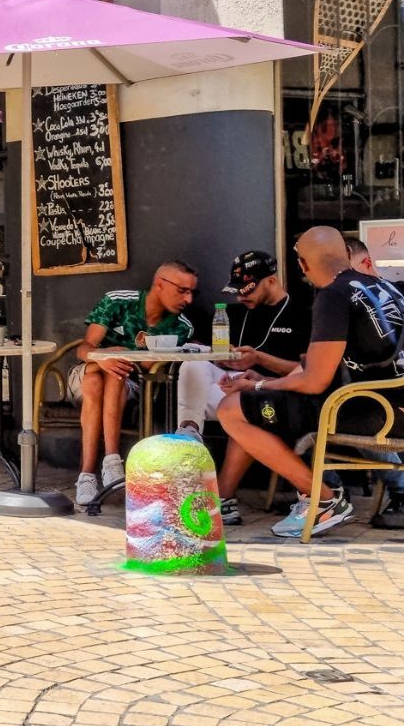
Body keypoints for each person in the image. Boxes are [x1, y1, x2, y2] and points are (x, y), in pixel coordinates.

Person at [216, 227, 404, 537]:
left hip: (370, 410)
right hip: (391, 404)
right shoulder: (387, 288)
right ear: (346, 255)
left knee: (232, 408)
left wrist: (258, 387)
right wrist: (264, 380)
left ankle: (323, 500)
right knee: (253, 406)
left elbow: (315, 382)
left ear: (303, 265)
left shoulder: (332, 295)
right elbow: (327, 367)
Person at [171, 251, 312, 524]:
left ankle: (223, 499)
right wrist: (219, 357)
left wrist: (259, 360)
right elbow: (206, 352)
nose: (240, 297)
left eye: (247, 290)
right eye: (236, 290)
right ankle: (189, 434)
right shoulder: (229, 314)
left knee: (245, 409)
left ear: (271, 282)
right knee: (193, 364)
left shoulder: (301, 313)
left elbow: (308, 370)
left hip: (275, 395)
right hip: (228, 387)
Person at [71, 261, 199, 506]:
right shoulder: (118, 301)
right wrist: (105, 357)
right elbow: (84, 348)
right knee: (97, 378)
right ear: (160, 284)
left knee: (113, 374)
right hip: (87, 373)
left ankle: (87, 474)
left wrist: (120, 359)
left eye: (192, 292)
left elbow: (151, 368)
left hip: (133, 383)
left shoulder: (181, 326)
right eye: (183, 290)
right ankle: (109, 462)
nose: (189, 299)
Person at [347, 236, 404, 531]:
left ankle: (401, 491)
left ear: (366, 264)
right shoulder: (395, 292)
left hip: (389, 405)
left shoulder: (356, 295)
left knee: (331, 413)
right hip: (392, 399)